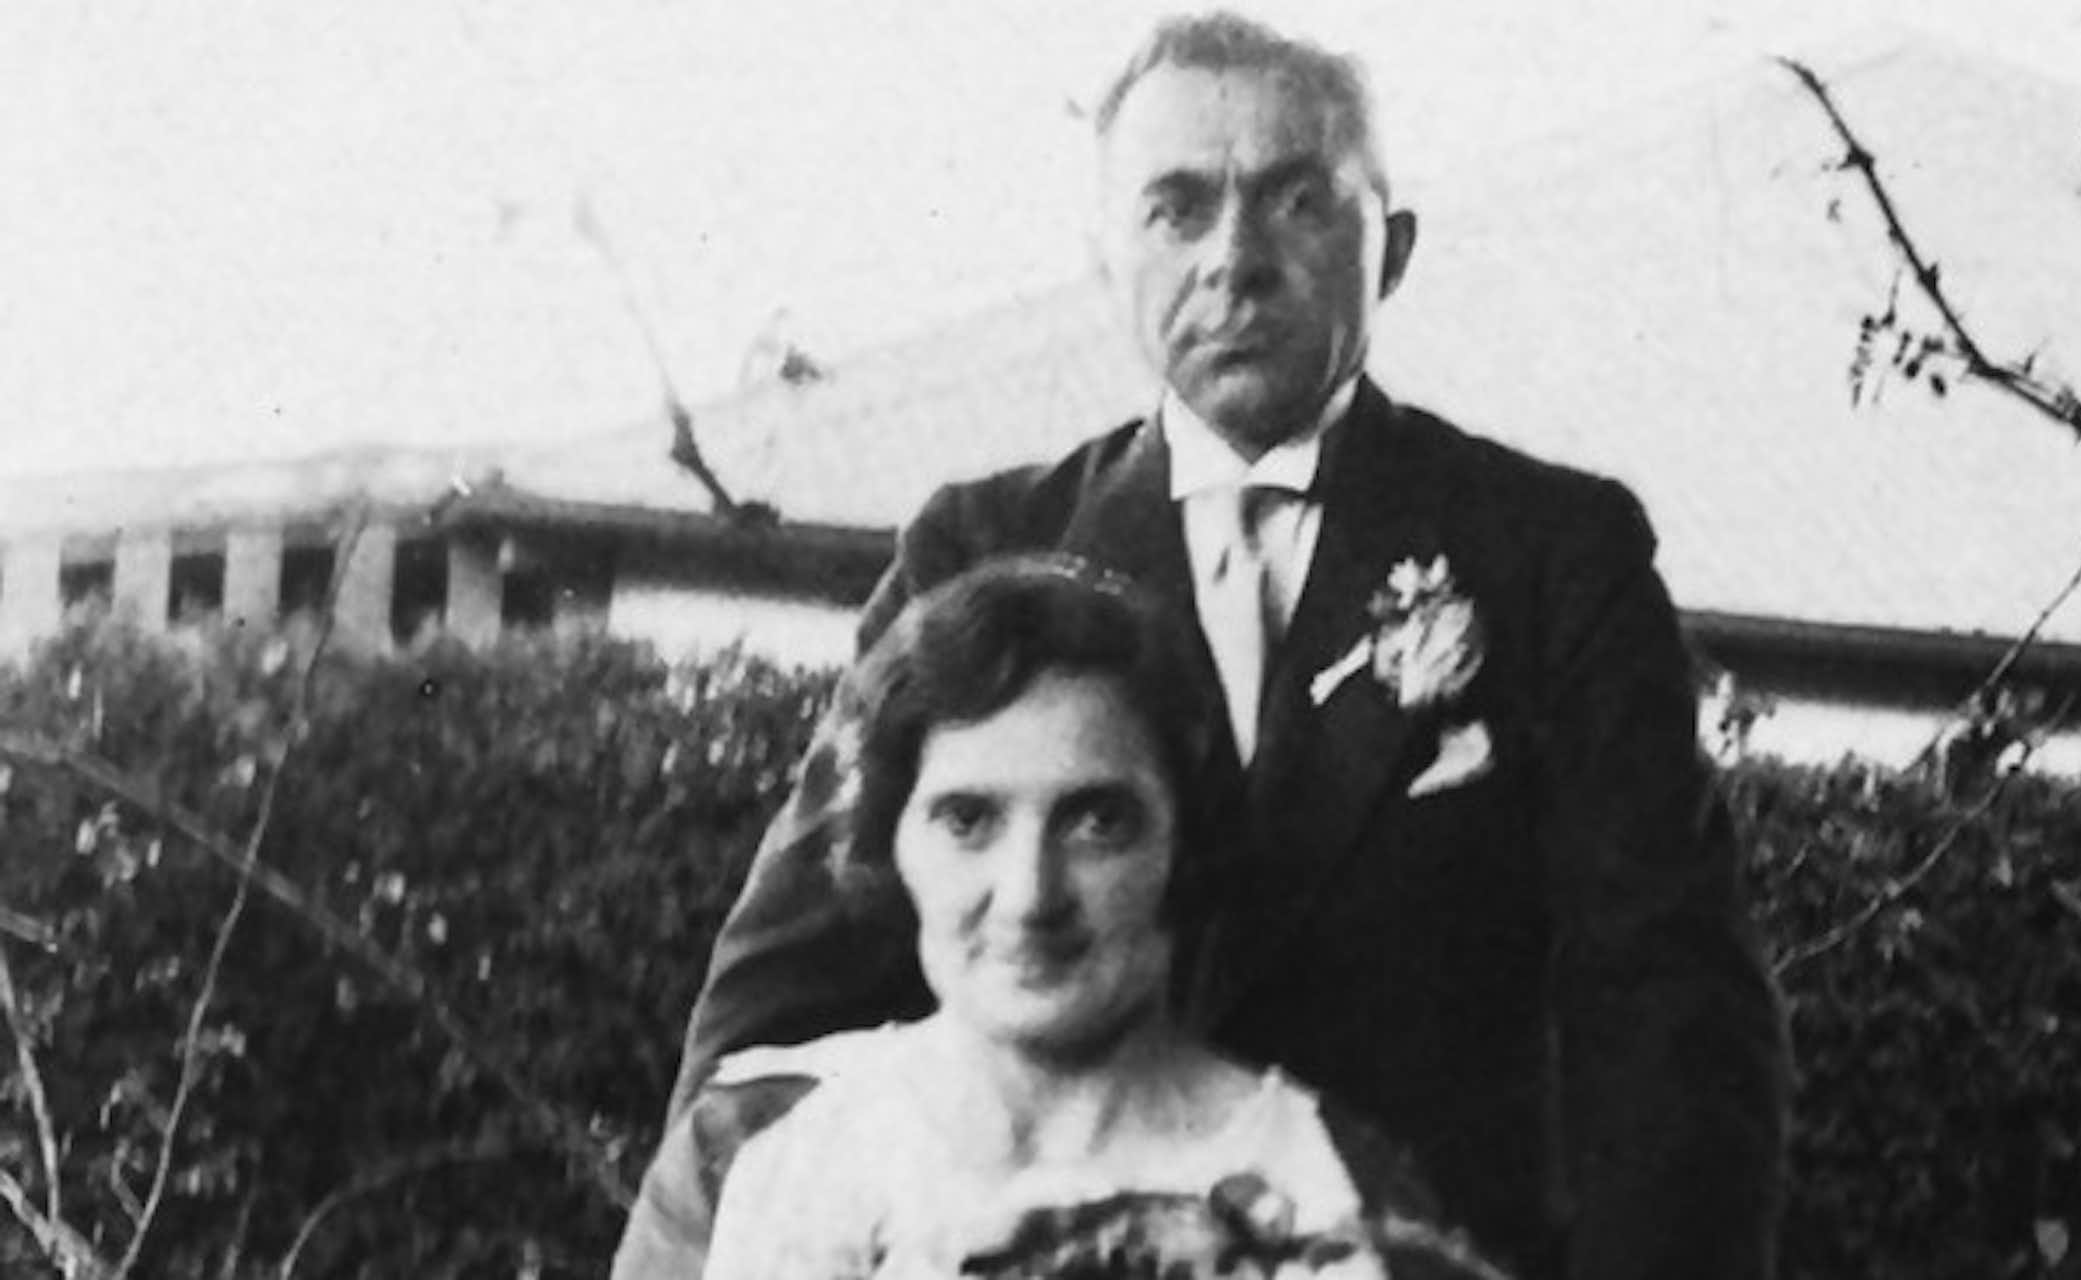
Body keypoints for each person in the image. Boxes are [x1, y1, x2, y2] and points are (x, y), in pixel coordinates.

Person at [628, 11, 1787, 1278]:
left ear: (1391, 247)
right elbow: (787, 992)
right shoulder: (986, 545)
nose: (1234, 261)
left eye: (1296, 202)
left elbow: (1671, 1018)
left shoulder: (1546, 554)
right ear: (1104, 258)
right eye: (1175, 209)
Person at [618, 558, 1469, 1278]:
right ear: (892, 839)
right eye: (967, 820)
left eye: (1097, 822)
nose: (1030, 895)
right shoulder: (769, 1154)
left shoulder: (1329, 1177)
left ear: (1183, 843)